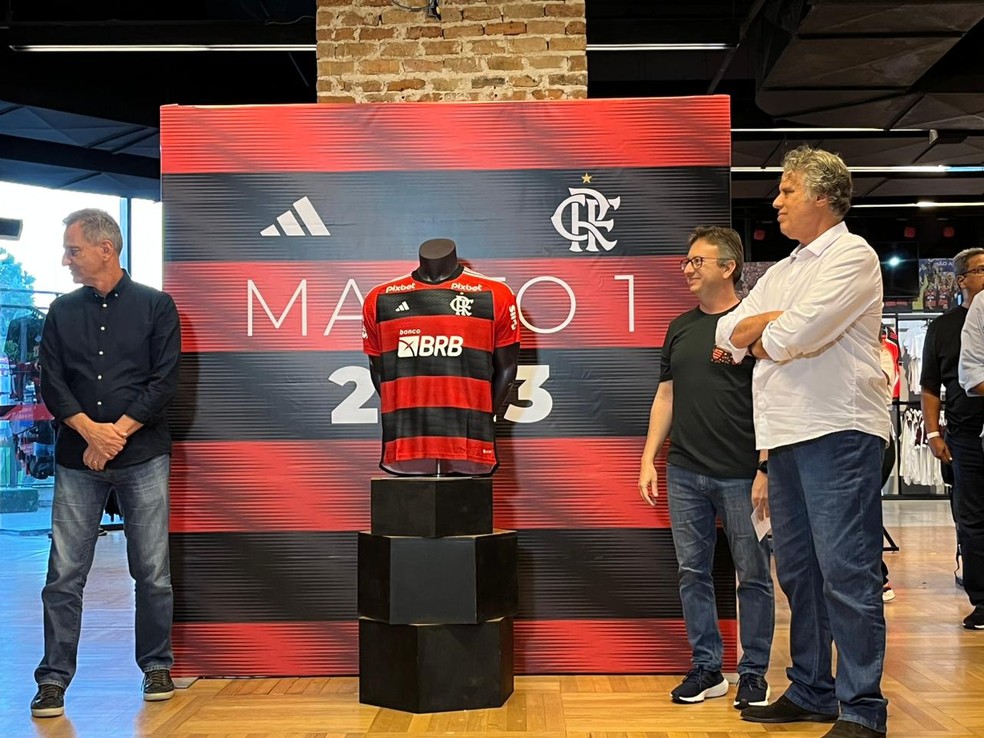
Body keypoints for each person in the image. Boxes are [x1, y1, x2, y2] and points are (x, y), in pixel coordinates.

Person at [715, 146, 891, 738]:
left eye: (787, 191)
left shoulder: (853, 255)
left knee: (847, 570)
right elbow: (727, 333)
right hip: (785, 435)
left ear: (822, 195)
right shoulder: (787, 269)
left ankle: (863, 707)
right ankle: (813, 689)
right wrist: (766, 326)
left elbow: (789, 337)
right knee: (799, 572)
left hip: (839, 429)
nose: (776, 201)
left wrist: (767, 328)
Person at [31, 209, 181, 718]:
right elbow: (51, 381)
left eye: (73, 250)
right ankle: (53, 679)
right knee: (63, 574)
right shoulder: (60, 311)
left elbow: (163, 384)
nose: (66, 259)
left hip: (141, 455)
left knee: (153, 572)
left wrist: (112, 434)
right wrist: (88, 431)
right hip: (78, 457)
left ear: (105, 249)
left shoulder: (157, 307)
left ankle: (156, 666)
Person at [639, 226, 774, 708]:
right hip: (684, 472)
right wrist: (649, 456)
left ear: (728, 266)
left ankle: (754, 673)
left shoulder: (754, 322)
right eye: (687, 262)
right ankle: (707, 667)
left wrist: (766, 467)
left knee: (753, 574)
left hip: (744, 473)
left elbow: (775, 398)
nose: (689, 269)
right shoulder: (680, 326)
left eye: (698, 260)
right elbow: (666, 394)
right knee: (692, 571)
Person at [362, 238, 520, 476]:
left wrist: (482, 418)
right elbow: (378, 370)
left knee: (464, 512)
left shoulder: (494, 294)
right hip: (406, 441)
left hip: (470, 441)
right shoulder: (381, 297)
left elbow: (507, 369)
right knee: (408, 512)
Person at [923, 248, 984, 628]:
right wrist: (932, 432)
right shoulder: (943, 327)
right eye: (980, 270)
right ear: (962, 280)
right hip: (964, 435)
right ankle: (981, 599)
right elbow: (929, 385)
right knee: (972, 520)